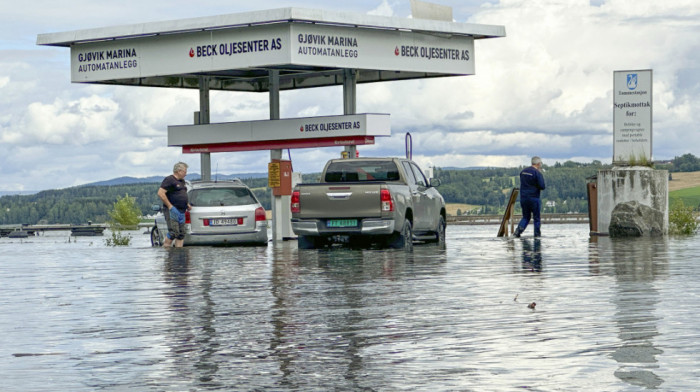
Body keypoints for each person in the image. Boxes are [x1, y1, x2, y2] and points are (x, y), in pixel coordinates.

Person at [157, 162, 190, 247]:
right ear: (179, 171)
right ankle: (167, 252)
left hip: (182, 210)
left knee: (181, 233)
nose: (186, 174)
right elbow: (161, 193)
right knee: (173, 232)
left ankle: (179, 255)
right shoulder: (169, 180)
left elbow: (182, 195)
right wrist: (170, 206)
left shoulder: (182, 181)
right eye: (185, 171)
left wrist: (187, 204)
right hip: (171, 210)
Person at [513, 156, 546, 238]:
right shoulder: (537, 173)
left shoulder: (523, 172)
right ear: (538, 164)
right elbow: (542, 186)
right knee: (536, 218)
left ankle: (517, 232)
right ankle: (537, 236)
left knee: (526, 217)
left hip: (523, 198)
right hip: (534, 198)